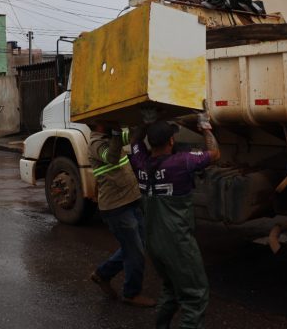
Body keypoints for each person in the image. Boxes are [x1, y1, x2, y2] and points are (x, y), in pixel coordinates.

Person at [129, 111, 220, 329]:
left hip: (153, 243)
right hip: (178, 244)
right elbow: (214, 153)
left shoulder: (140, 163)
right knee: (195, 296)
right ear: (171, 140)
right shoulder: (181, 162)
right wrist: (205, 126)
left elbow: (134, 142)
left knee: (170, 289)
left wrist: (144, 124)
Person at [88, 121, 155, 308]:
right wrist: (117, 132)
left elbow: (135, 137)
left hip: (131, 201)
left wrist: (145, 123)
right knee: (135, 251)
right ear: (98, 124)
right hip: (116, 208)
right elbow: (111, 157)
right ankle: (131, 294)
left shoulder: (110, 137)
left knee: (136, 247)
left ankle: (102, 274)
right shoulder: (95, 144)